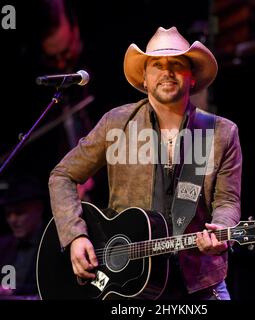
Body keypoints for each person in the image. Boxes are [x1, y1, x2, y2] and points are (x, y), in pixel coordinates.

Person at [48, 26, 242, 300]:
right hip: (127, 281)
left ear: (193, 78)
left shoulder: (221, 133)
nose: (167, 72)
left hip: (198, 281)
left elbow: (228, 201)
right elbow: (62, 175)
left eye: (177, 64)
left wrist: (220, 228)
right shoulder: (116, 123)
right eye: (157, 65)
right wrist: (75, 236)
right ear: (145, 79)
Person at [0, 176, 47, 298]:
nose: (12, 220)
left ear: (39, 209)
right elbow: (6, 283)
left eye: (19, 212)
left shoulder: (53, 244)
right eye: (8, 214)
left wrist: (14, 291)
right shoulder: (4, 246)